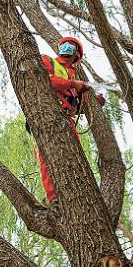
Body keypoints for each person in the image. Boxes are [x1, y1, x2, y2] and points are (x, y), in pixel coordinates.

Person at [33, 36, 92, 203]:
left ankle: (80, 193)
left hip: (66, 118)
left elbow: (77, 107)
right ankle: (53, 198)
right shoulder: (47, 61)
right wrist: (73, 84)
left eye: (71, 46)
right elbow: (45, 80)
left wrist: (88, 99)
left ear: (76, 55)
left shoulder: (71, 75)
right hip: (46, 114)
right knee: (47, 156)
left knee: (76, 154)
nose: (66, 47)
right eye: (65, 44)